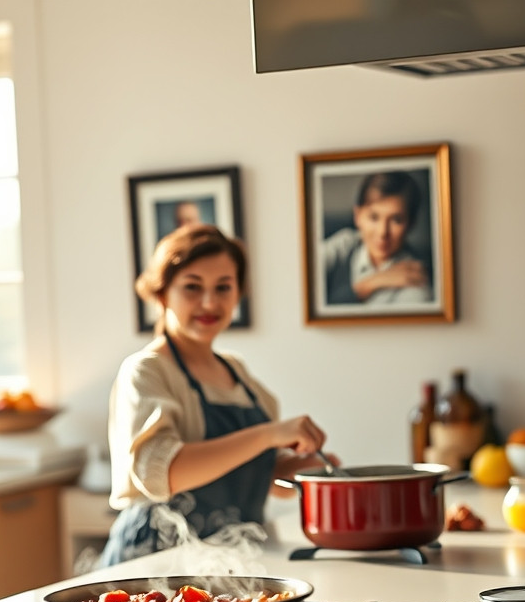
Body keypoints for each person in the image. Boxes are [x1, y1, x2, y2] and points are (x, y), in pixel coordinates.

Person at [101, 223, 331, 565]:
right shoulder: (147, 371)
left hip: (230, 561)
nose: (209, 302)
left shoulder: (238, 373)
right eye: (192, 287)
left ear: (238, 294)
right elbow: (162, 474)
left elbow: (241, 475)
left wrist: (296, 471)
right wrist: (269, 434)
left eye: (223, 287)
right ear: (163, 294)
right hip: (154, 562)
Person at [321, 171, 431, 306]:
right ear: (357, 216)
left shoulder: (415, 282)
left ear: (411, 224)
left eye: (396, 220)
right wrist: (370, 284)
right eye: (374, 217)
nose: (382, 232)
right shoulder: (344, 244)